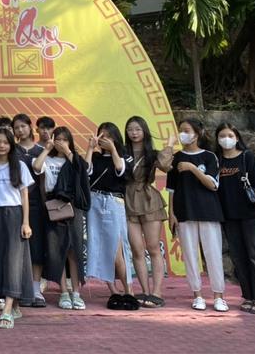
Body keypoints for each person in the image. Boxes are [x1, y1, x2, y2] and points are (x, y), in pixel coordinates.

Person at [167, 118, 227, 312]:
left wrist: (192, 169)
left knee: (213, 253)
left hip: (208, 211)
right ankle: (197, 295)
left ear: (197, 133)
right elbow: (171, 189)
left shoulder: (209, 157)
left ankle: (219, 296)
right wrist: (171, 213)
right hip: (184, 212)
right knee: (190, 255)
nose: (182, 134)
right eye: (180, 130)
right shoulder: (176, 157)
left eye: (186, 130)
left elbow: (213, 184)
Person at [214, 122, 255, 314]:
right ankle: (248, 296)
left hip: (249, 215)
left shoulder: (247, 157)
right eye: (222, 136)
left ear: (237, 137)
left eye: (230, 135)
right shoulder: (217, 161)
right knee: (238, 257)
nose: (226, 139)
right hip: (229, 217)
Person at [32, 126, 89, 310]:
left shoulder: (75, 159)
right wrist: (47, 149)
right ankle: (63, 292)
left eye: (65, 139)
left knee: (74, 250)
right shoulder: (47, 158)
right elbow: (36, 167)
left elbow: (82, 170)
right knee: (57, 251)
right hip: (53, 206)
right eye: (58, 139)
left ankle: (76, 293)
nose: (61, 143)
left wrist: (68, 152)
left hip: (73, 207)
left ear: (70, 141)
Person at [0, 128, 34, 329]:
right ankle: (14, 306)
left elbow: (24, 196)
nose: (1, 145)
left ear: (11, 145)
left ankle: (7, 309)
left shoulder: (19, 166)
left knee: (14, 261)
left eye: (5, 142)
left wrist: (26, 222)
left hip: (15, 215)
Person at [83, 122, 136, 307]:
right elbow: (85, 171)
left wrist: (113, 150)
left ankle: (129, 291)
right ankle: (113, 291)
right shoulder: (96, 156)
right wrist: (90, 148)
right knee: (99, 245)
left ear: (115, 137)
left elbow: (121, 171)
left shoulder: (125, 156)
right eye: (101, 135)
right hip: (95, 200)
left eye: (108, 136)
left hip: (114, 202)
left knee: (117, 248)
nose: (104, 139)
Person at [124, 116, 173, 308]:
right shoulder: (122, 152)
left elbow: (165, 165)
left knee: (153, 247)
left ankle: (157, 292)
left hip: (148, 198)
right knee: (136, 249)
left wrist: (169, 145)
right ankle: (144, 291)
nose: (134, 133)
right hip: (128, 199)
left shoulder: (152, 153)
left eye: (137, 129)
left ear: (144, 131)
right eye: (130, 129)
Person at [12, 113, 46, 307]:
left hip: (37, 203)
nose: (20, 130)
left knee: (36, 247)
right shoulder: (11, 150)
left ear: (30, 127)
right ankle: (18, 289)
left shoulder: (41, 150)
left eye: (23, 126)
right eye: (16, 127)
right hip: (15, 204)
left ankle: (35, 290)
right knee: (17, 248)